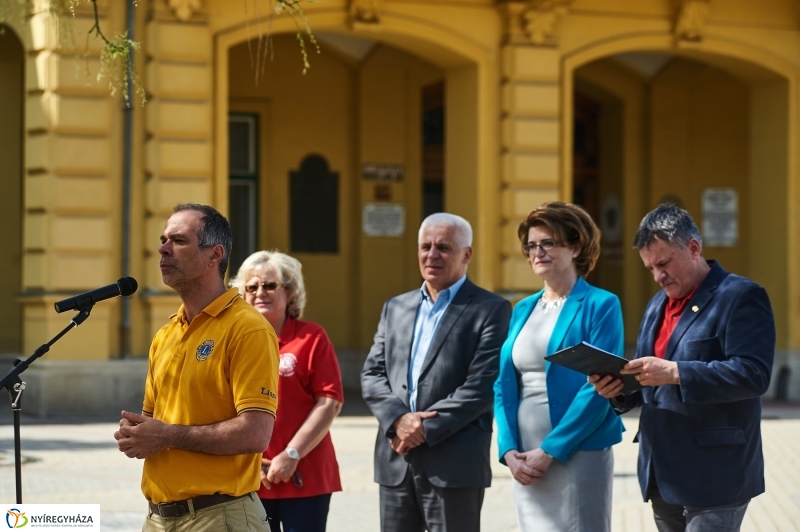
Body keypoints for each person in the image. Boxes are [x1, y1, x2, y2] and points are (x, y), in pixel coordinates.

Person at [590, 204, 775, 532]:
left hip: (716, 474)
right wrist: (618, 391)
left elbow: (753, 374)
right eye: (650, 268)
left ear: (693, 248)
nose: (658, 276)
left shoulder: (741, 295)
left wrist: (677, 371)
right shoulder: (656, 304)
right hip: (662, 471)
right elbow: (649, 379)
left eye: (663, 263)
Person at [114, 204, 279, 531]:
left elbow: (256, 433)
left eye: (178, 240)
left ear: (214, 255)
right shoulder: (166, 334)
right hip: (158, 517)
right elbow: (154, 424)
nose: (162, 248)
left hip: (219, 516)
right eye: (163, 239)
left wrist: (166, 435)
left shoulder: (248, 329)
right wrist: (138, 435)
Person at [361, 212, 511, 532]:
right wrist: (399, 420)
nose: (432, 255)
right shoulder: (395, 307)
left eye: (443, 247)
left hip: (454, 464)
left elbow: (483, 385)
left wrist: (422, 428)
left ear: (467, 254)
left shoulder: (491, 309)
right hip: (396, 460)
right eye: (425, 246)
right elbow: (372, 375)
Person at [493, 202, 624, 532]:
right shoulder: (522, 308)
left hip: (577, 451)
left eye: (548, 242)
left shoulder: (601, 304)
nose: (538, 252)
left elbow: (599, 385)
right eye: (531, 245)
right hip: (525, 457)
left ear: (576, 246)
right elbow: (503, 385)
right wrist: (509, 450)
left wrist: (550, 450)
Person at [231, 251, 344, 532]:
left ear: (290, 291)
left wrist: (292, 454)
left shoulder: (312, 337)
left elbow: (329, 402)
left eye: (270, 285)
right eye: (252, 287)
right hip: (248, 475)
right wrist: (249, 461)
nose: (260, 293)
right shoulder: (232, 342)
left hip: (305, 475)